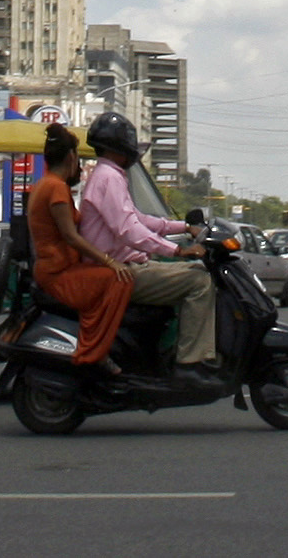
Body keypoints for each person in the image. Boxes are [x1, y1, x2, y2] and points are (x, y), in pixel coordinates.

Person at [75, 112, 218, 383]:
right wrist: (177, 250)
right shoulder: (109, 177)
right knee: (200, 280)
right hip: (121, 271)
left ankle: (168, 349)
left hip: (125, 265)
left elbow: (137, 219)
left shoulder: (108, 175)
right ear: (119, 146)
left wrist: (184, 228)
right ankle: (190, 362)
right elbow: (128, 230)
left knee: (191, 269)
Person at [24, 122, 129, 374]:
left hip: (57, 269)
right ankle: (93, 351)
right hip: (58, 274)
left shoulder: (44, 184)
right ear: (71, 156)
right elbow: (71, 237)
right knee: (120, 280)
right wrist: (109, 261)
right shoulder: (57, 188)